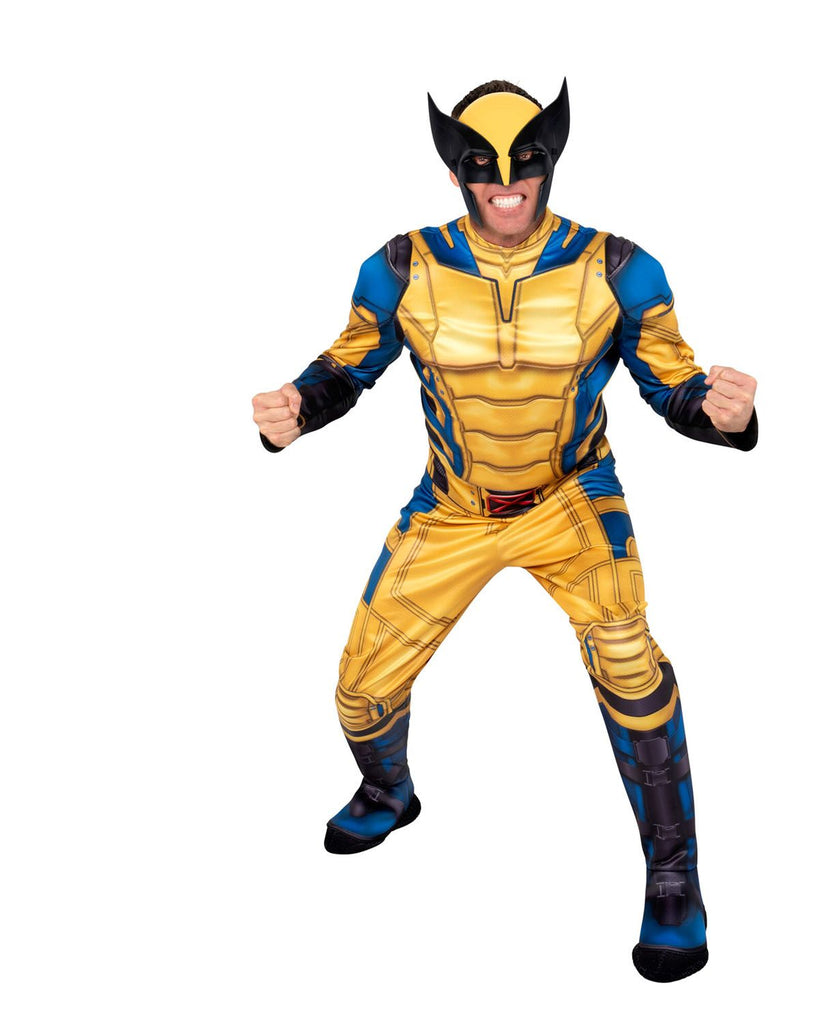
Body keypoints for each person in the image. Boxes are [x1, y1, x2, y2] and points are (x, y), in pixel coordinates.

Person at [252, 79, 757, 983]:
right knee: (360, 692)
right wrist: (296, 408)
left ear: (551, 161)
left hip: (574, 501)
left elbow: (672, 386)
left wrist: (724, 417)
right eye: (482, 165)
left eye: (525, 160)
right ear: (455, 172)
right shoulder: (402, 267)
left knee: (631, 666)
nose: (505, 181)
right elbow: (347, 366)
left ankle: (673, 875)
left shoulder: (620, 268)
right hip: (452, 507)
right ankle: (389, 789)